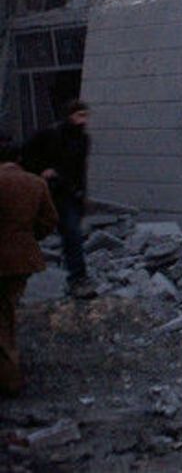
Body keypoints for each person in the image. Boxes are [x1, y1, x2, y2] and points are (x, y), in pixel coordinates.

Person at [0, 142, 59, 395]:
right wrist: (26, 238)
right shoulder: (35, 183)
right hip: (21, 261)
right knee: (6, 314)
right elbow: (49, 220)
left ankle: (10, 379)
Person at [22, 100, 94, 298]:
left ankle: (77, 278)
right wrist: (41, 172)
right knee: (29, 233)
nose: (83, 120)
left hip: (68, 194)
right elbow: (26, 153)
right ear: (71, 115)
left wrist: (81, 195)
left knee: (72, 235)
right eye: (80, 115)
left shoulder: (83, 140)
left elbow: (80, 171)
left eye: (85, 116)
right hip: (48, 192)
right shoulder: (51, 134)